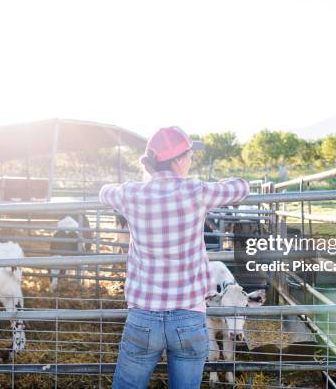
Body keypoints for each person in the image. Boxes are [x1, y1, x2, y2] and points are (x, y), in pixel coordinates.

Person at [99, 126, 250, 389]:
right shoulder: (197, 191)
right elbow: (241, 187)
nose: (191, 161)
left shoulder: (132, 193)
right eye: (190, 155)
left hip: (143, 315)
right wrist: (220, 183)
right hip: (188, 316)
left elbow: (104, 192)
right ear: (178, 160)